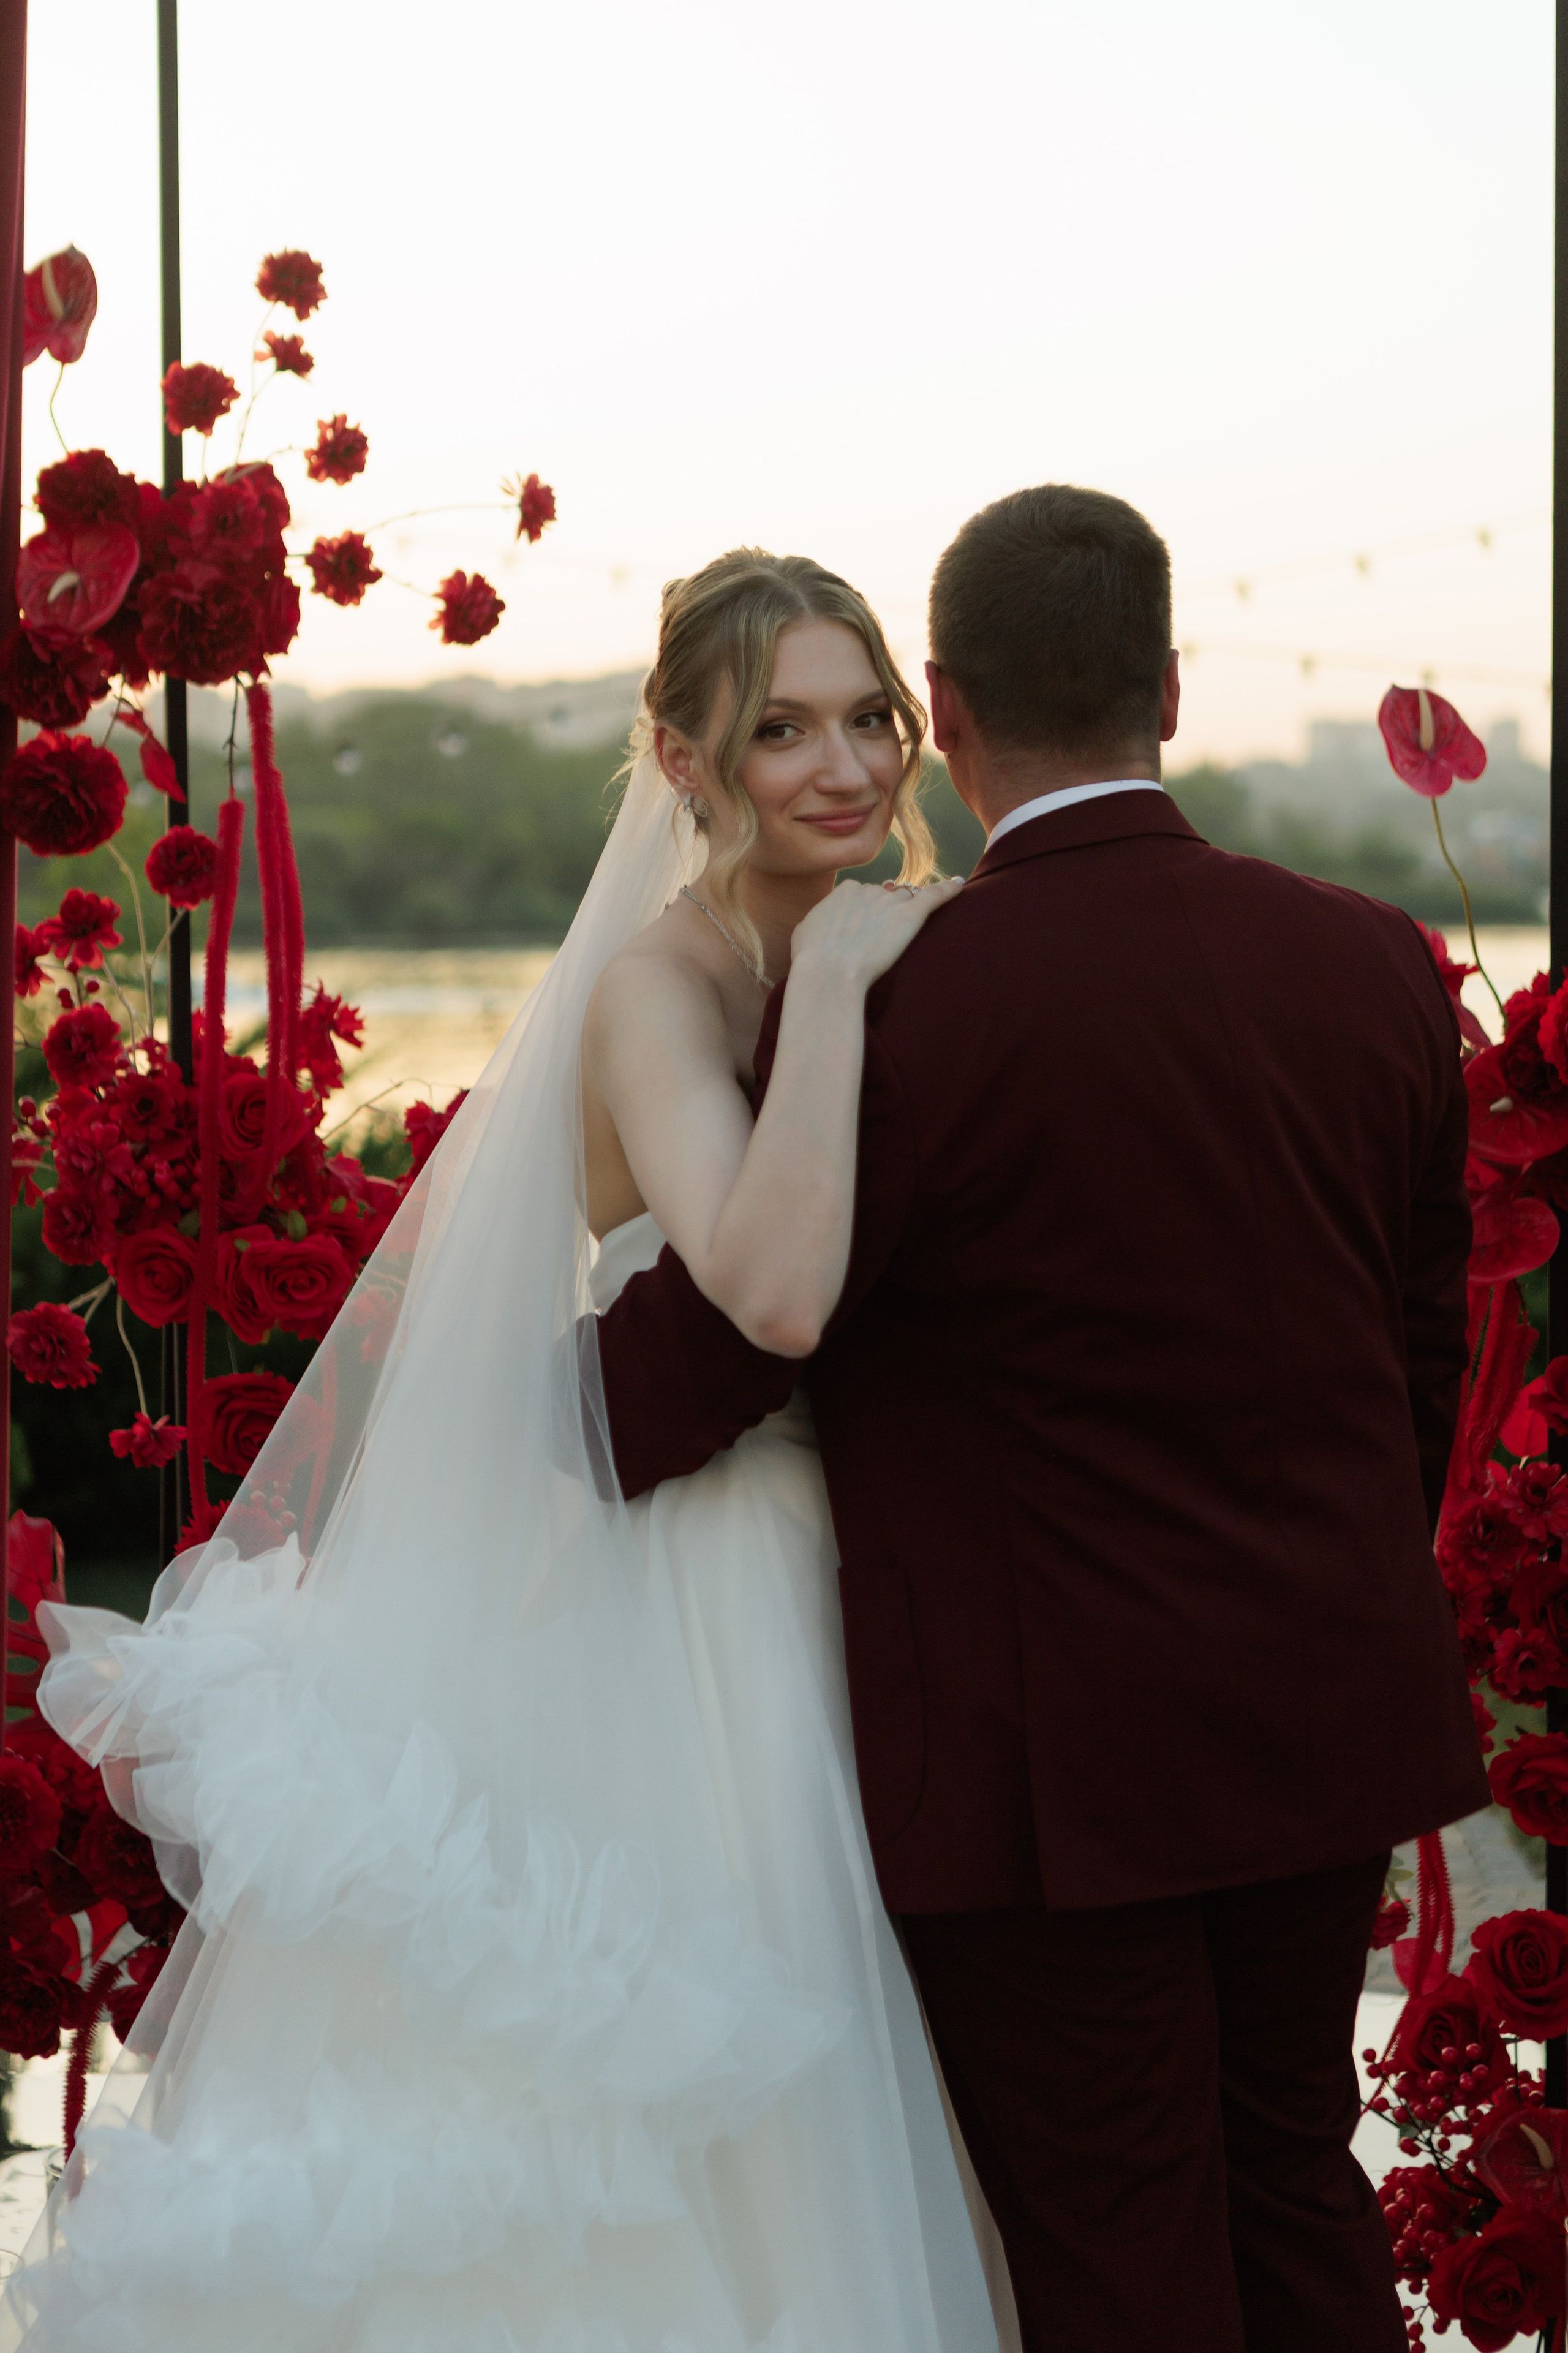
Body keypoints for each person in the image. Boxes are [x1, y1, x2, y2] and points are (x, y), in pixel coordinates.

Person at [3, 556, 1001, 2353]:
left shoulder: (927, 940)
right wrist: (848, 976)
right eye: (781, 728)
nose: (841, 766)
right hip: (698, 1598)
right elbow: (767, 1286)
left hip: (880, 1567)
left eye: (870, 718)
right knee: (739, 2076)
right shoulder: (663, 983)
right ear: (686, 760)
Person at [593, 485, 1492, 2353]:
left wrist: (475, 1448)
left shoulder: (906, 995)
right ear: (1168, 682)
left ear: (946, 705)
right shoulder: (1376, 965)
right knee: (1295, 2188)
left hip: (1039, 1762)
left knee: (1112, 2245)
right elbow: (1417, 1368)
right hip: (1320, 1703)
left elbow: (721, 1354)